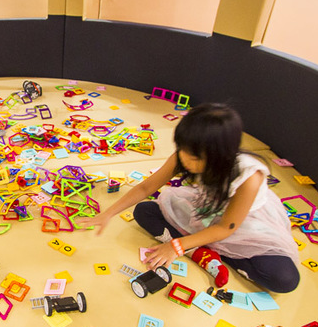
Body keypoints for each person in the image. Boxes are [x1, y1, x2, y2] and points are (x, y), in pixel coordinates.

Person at [81, 103, 300, 293]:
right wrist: (108, 213)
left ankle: (214, 253)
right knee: (144, 211)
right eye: (182, 148)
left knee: (285, 280)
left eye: (193, 156)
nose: (183, 158)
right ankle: (202, 251)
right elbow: (146, 186)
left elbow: (226, 228)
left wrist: (176, 245)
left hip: (245, 225)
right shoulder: (185, 154)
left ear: (218, 154)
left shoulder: (249, 177)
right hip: (207, 209)